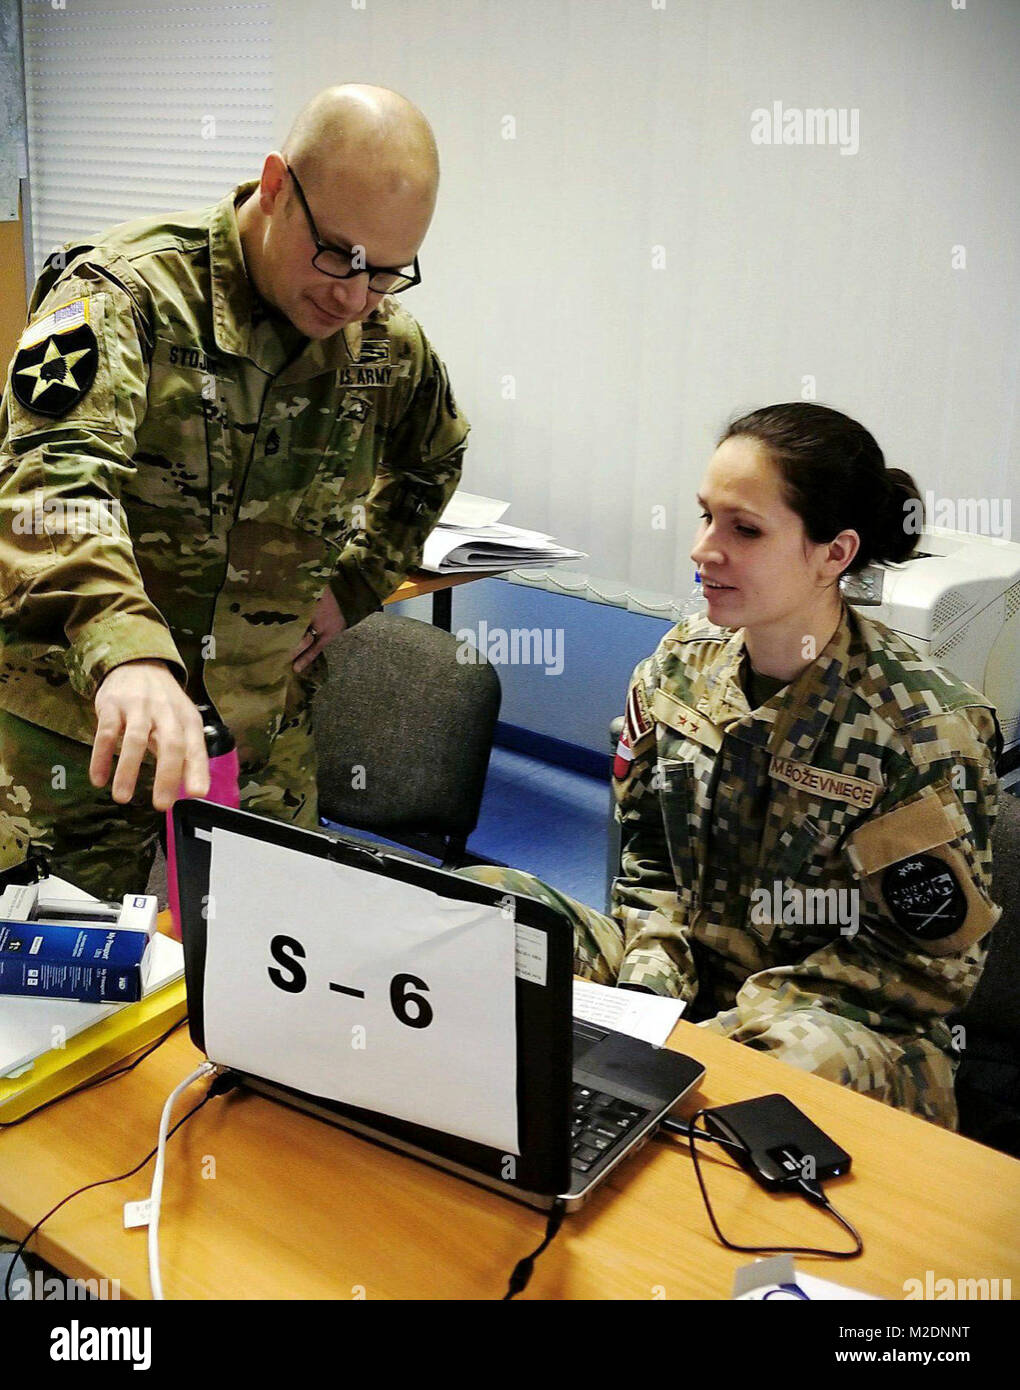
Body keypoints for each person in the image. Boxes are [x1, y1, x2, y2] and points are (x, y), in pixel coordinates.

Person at [462, 403, 1002, 1130]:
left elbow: (915, 971)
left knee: (784, 1061)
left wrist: (701, 1041)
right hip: (690, 981)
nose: (703, 550)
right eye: (704, 517)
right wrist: (650, 992)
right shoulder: (680, 665)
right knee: (477, 912)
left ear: (833, 555)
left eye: (743, 529)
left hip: (844, 1027)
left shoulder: (923, 728)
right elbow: (648, 863)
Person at [0, 84, 469, 900]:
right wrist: (127, 646)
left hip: (257, 735)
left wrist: (352, 585)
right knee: (50, 996)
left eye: (388, 273)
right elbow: (51, 477)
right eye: (340, 256)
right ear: (277, 186)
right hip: (77, 729)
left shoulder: (383, 347)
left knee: (270, 987)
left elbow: (433, 463)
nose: (354, 296)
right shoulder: (125, 293)